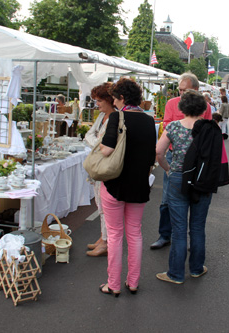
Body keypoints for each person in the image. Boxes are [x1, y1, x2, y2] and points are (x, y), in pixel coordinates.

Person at [98, 78, 156, 296]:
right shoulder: (149, 121)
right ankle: (133, 282)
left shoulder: (117, 117)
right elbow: (151, 156)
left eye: (114, 97)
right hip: (139, 185)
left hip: (115, 183)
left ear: (122, 97)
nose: (113, 101)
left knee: (114, 234)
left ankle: (113, 284)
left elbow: (106, 150)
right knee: (135, 233)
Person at [155, 90, 217, 284]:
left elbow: (158, 152)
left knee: (179, 229)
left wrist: (168, 169)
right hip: (202, 181)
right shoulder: (210, 128)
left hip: (178, 179)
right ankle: (197, 268)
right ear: (203, 108)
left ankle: (176, 273)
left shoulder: (173, 127)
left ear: (181, 108)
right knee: (198, 227)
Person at [150, 73, 213, 250]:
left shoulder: (205, 106)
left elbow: (206, 129)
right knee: (166, 199)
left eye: (186, 90)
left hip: (196, 158)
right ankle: (165, 235)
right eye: (180, 90)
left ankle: (194, 240)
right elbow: (167, 123)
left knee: (194, 197)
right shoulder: (172, 103)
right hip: (173, 154)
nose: (182, 93)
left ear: (196, 89)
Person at [84, 82, 116, 257]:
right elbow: (89, 135)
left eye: (99, 101)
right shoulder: (102, 117)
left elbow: (104, 144)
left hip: (104, 166)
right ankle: (103, 237)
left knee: (104, 205)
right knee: (99, 203)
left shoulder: (114, 119)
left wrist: (96, 143)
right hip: (98, 163)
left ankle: (106, 241)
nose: (97, 104)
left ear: (109, 100)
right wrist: (98, 143)